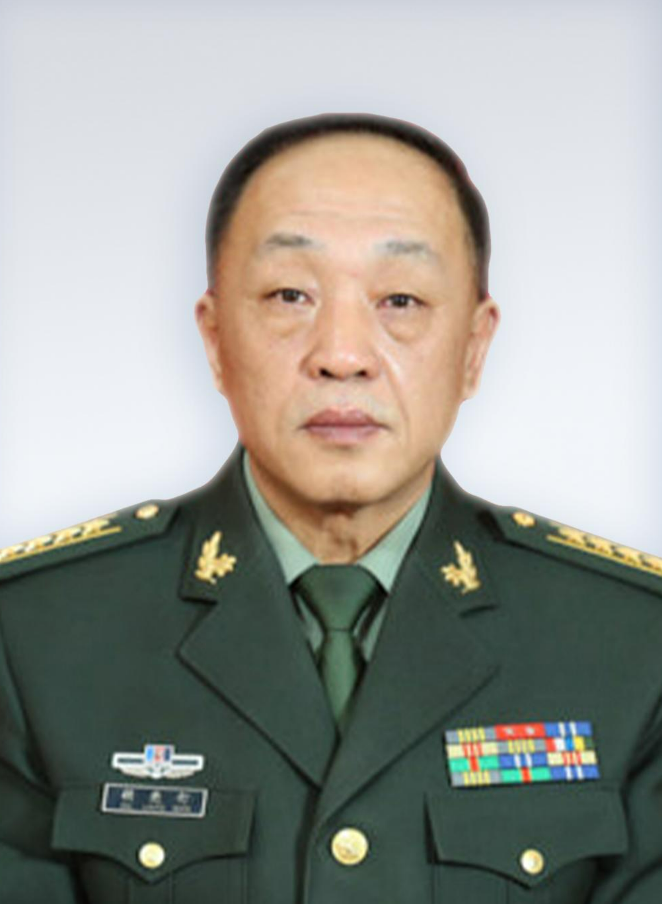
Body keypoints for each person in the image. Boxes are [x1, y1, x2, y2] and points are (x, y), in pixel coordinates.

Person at [0, 112, 661, 904]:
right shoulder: (35, 637)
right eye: (290, 294)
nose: (342, 355)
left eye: (401, 300)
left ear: (474, 347)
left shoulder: (632, 645)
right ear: (215, 338)